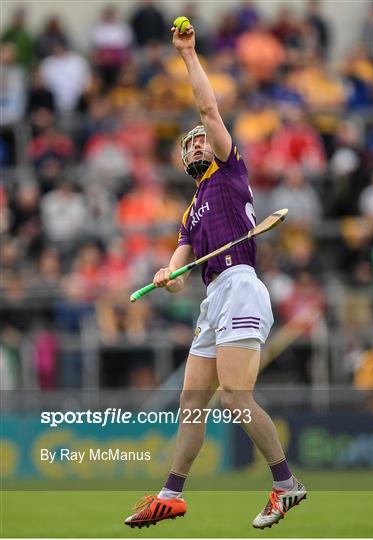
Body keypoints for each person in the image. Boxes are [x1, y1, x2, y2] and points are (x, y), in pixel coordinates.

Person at [124, 22, 307, 531]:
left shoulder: (230, 170)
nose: (200, 142)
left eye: (204, 139)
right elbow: (182, 270)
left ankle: (285, 483)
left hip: (242, 285)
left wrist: (187, 56)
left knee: (234, 398)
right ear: (182, 158)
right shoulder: (190, 212)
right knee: (191, 402)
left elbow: (207, 109)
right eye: (192, 143)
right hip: (212, 298)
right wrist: (167, 274)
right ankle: (171, 494)